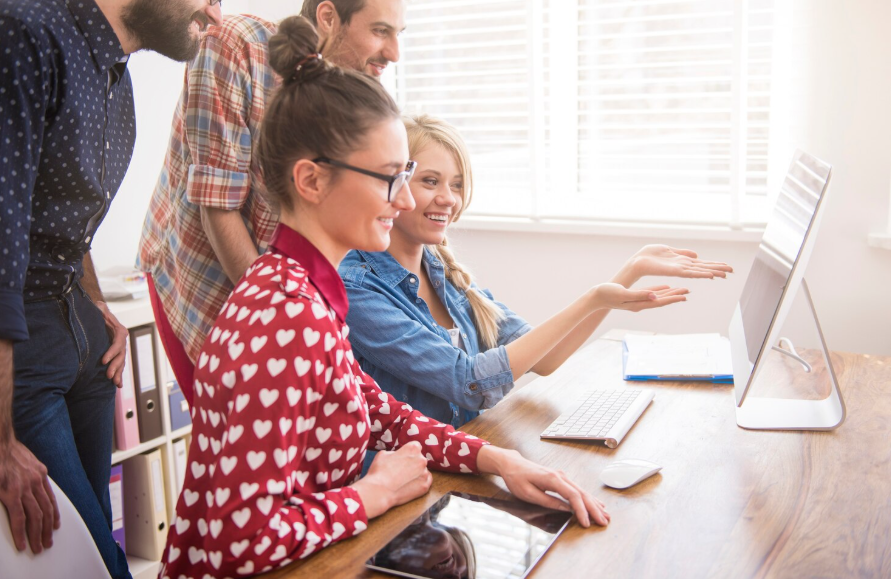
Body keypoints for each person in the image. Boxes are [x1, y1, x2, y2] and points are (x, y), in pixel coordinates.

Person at [159, 17, 609, 579]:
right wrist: (372, 494)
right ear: (312, 181)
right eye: (389, 177)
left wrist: (494, 458)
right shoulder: (285, 314)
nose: (404, 201)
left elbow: (377, 412)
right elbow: (237, 541)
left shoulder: (304, 289)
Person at [338, 114, 733, 453]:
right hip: (413, 478)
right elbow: (469, 382)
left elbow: (546, 359)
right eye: (430, 181)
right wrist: (593, 298)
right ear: (395, 184)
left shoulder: (443, 272)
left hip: (465, 458)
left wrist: (627, 274)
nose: (448, 199)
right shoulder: (356, 288)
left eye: (456, 185)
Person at [0, 0, 224, 577]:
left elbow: (65, 219)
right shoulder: (25, 32)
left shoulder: (114, 75)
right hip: (21, 351)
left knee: (99, 544)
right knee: (92, 560)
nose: (215, 14)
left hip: (81, 334)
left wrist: (95, 302)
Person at [136, 0, 406, 407]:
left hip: (284, 289)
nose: (394, 53)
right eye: (380, 31)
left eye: (398, 34)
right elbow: (218, 207)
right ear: (328, 17)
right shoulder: (235, 45)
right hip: (203, 274)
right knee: (239, 427)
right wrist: (282, 321)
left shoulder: (351, 92)